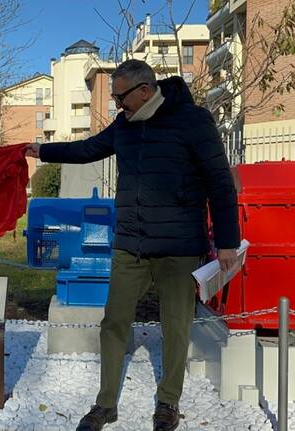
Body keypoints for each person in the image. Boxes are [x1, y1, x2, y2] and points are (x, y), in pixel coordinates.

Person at [26, 59, 239, 431]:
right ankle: (106, 403)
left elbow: (220, 182)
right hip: (131, 246)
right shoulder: (125, 125)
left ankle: (168, 402)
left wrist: (226, 242)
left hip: (179, 246)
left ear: (144, 90)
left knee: (175, 326)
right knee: (113, 323)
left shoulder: (193, 120)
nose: (117, 106)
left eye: (121, 98)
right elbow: (87, 149)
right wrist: (40, 151)